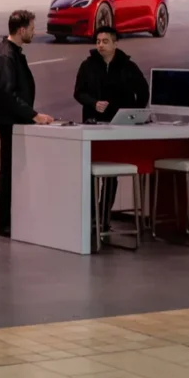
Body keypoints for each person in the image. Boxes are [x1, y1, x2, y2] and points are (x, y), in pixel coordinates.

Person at [73, 26, 149, 231]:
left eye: (105, 41)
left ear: (115, 43)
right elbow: (78, 93)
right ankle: (90, 216)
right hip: (92, 126)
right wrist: (93, 103)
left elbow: (143, 91)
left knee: (109, 174)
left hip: (117, 127)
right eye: (98, 41)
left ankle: (103, 216)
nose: (100, 45)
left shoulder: (128, 66)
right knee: (89, 172)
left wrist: (133, 114)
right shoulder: (87, 66)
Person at [0, 10, 53, 237]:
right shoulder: (5, 56)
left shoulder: (12, 53)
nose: (35, 33)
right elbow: (6, 94)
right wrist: (33, 115)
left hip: (13, 120)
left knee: (12, 170)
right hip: (8, 121)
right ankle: (4, 224)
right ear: (22, 29)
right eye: (33, 29)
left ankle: (10, 222)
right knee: (8, 171)